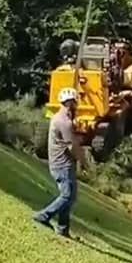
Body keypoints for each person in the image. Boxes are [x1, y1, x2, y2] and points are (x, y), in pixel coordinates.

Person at [33, 87, 87, 238]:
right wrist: (83, 162)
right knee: (67, 195)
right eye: (76, 102)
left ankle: (63, 229)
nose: (77, 105)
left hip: (63, 163)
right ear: (70, 103)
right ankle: (44, 216)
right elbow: (72, 146)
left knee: (70, 196)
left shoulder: (59, 118)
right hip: (62, 164)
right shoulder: (64, 122)